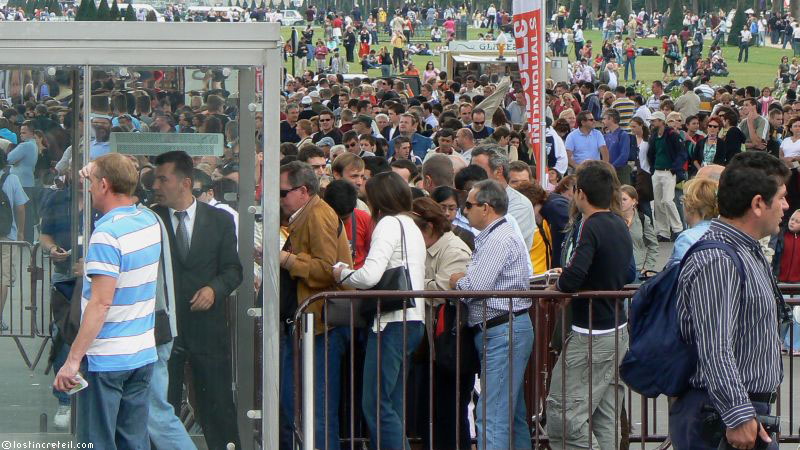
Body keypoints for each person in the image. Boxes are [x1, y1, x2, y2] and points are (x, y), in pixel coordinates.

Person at [671, 151, 789, 450]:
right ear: (758, 204)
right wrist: (737, 416)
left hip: (738, 412)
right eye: (782, 198)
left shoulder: (743, 251)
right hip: (723, 418)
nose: (787, 206)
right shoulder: (719, 259)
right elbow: (715, 348)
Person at [53, 154, 160, 448]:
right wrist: (97, 171)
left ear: (103, 184)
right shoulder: (149, 220)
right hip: (141, 353)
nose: (87, 188)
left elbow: (101, 304)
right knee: (132, 441)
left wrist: (72, 360)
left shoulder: (107, 235)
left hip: (105, 359)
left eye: (92, 183)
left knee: (96, 441)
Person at [151, 151, 243, 450]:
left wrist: (214, 289)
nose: (156, 185)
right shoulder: (152, 220)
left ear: (185, 183)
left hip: (207, 328)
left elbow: (233, 270)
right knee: (163, 405)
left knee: (216, 404)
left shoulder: (220, 220)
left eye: (163, 179)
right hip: (166, 330)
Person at [333, 171, 426, 450]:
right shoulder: (411, 224)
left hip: (391, 322)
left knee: (375, 403)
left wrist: (341, 273)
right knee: (391, 404)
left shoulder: (387, 224)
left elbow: (370, 276)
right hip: (413, 320)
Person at [545, 160, 633, 449]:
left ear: (581, 193)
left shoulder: (590, 225)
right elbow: (626, 272)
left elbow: (576, 274)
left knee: (563, 416)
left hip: (591, 335)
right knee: (605, 416)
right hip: (616, 330)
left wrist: (558, 285)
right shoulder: (619, 223)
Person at [449, 179, 533, 450]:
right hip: (504, 328)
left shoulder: (498, 239)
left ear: (485, 208)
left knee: (492, 415)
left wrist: (455, 281)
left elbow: (476, 287)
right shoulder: (497, 235)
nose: (465, 210)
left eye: (469, 205)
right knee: (511, 413)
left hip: (502, 329)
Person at [278, 162, 354, 450]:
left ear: (303, 191)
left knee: (319, 409)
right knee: (297, 403)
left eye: (283, 192)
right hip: (306, 325)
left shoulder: (319, 215)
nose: (279, 198)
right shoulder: (304, 214)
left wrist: (287, 261)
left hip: (320, 328)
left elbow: (328, 269)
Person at [410, 197, 473, 450]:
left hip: (451, 345)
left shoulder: (454, 249)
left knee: (449, 413)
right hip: (433, 346)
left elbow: (446, 290)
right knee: (431, 410)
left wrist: (414, 284)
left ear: (428, 228)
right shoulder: (428, 249)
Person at [647, 111, 687, 242]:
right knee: (658, 203)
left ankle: (678, 229)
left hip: (669, 172)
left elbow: (682, 153)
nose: (652, 123)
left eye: (654, 121)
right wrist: (653, 168)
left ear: (661, 121)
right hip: (657, 172)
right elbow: (651, 153)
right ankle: (663, 232)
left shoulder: (672, 135)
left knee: (668, 200)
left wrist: (675, 168)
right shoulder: (654, 136)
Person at [0, 150, 27, 332]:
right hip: (6, 234)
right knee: (3, 278)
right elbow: (20, 207)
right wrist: (21, 233)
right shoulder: (12, 178)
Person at [667, 177, 718, 264]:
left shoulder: (687, 238)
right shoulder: (723, 232)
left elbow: (677, 274)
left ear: (690, 206)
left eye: (683, 202)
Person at [620, 185, 659, 278]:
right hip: (617, 270)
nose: (620, 202)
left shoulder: (643, 219)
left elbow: (653, 245)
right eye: (618, 199)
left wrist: (648, 267)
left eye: (624, 199)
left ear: (634, 201)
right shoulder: (613, 219)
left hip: (637, 271)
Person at [603, 109, 633, 185]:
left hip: (621, 172)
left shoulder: (623, 135)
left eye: (604, 118)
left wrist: (611, 166)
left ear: (611, 119)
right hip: (609, 171)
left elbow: (624, 156)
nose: (603, 121)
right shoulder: (606, 136)